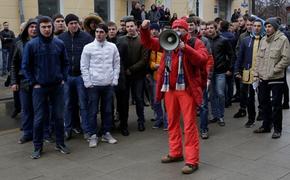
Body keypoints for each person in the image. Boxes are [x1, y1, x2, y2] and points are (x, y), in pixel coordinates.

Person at [140, 18, 208, 174]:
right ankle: (176, 152)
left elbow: (202, 59)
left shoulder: (194, 42)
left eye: (180, 28)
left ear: (186, 31)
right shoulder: (167, 41)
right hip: (170, 89)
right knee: (171, 122)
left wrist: (186, 49)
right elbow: (148, 42)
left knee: (189, 125)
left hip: (186, 90)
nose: (177, 31)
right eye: (174, 28)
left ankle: (191, 160)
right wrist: (144, 29)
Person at [22, 16, 70, 159]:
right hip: (39, 88)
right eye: (43, 27)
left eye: (49, 26)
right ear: (38, 28)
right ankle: (37, 147)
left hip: (57, 87)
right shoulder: (31, 45)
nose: (47, 29)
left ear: (52, 27)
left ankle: (60, 143)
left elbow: (66, 63)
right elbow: (25, 66)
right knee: (39, 119)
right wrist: (33, 82)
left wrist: (63, 78)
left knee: (59, 117)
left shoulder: (59, 43)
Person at [81, 23, 120, 148]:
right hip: (94, 85)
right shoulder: (88, 47)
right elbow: (84, 66)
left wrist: (114, 80)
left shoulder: (113, 47)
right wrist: (88, 82)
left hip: (108, 84)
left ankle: (106, 133)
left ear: (106, 33)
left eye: (102, 32)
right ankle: (93, 135)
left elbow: (116, 64)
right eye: (97, 31)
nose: (99, 34)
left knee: (107, 110)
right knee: (92, 111)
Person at [58, 14, 94, 141]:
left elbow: (92, 57)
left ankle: (86, 130)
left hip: (81, 77)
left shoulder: (86, 37)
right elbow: (59, 58)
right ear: (67, 25)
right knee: (67, 104)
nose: (74, 25)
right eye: (71, 23)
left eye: (75, 23)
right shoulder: (61, 38)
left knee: (83, 104)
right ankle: (67, 130)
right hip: (67, 76)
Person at [253, 17, 290, 139]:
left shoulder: (283, 40)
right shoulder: (263, 39)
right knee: (264, 102)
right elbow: (258, 58)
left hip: (276, 78)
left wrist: (273, 70)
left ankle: (277, 129)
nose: (267, 28)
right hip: (263, 77)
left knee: (276, 104)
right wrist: (256, 74)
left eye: (270, 26)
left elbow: (286, 59)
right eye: (266, 26)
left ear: (275, 27)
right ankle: (266, 125)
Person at [116, 17, 147, 136]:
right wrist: (124, 71)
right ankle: (124, 124)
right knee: (124, 101)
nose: (129, 28)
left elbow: (144, 59)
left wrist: (131, 69)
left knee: (139, 98)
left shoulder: (142, 40)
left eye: (131, 26)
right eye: (127, 26)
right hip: (124, 76)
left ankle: (141, 121)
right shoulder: (120, 40)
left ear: (136, 27)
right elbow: (118, 57)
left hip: (138, 75)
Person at [10, 19, 38, 144]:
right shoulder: (19, 43)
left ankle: (42, 133)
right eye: (31, 27)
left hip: (40, 81)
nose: (34, 29)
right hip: (24, 81)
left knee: (40, 109)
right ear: (27, 29)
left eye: (36, 27)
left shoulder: (43, 42)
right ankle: (27, 133)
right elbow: (14, 64)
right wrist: (14, 82)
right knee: (26, 109)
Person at [186, 17, 214, 139]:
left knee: (202, 105)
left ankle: (204, 129)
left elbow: (209, 60)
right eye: (187, 25)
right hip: (187, 79)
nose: (189, 27)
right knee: (188, 106)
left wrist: (208, 77)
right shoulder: (182, 40)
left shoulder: (203, 41)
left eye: (191, 25)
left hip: (200, 79)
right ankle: (190, 128)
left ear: (196, 26)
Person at [234, 19, 265, 128]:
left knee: (263, 97)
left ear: (262, 28)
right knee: (249, 98)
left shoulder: (265, 40)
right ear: (252, 27)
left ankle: (263, 114)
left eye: (258, 26)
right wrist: (237, 70)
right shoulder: (245, 40)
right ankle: (251, 119)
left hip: (262, 73)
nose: (256, 28)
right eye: (255, 26)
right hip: (248, 73)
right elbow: (240, 56)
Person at [207, 21, 234, 127]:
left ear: (215, 28)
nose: (209, 30)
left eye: (211, 28)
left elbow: (231, 55)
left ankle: (221, 115)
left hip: (220, 72)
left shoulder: (223, 40)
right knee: (212, 95)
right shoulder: (205, 41)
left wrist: (230, 69)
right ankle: (215, 115)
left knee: (221, 94)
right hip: (209, 72)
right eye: (208, 28)